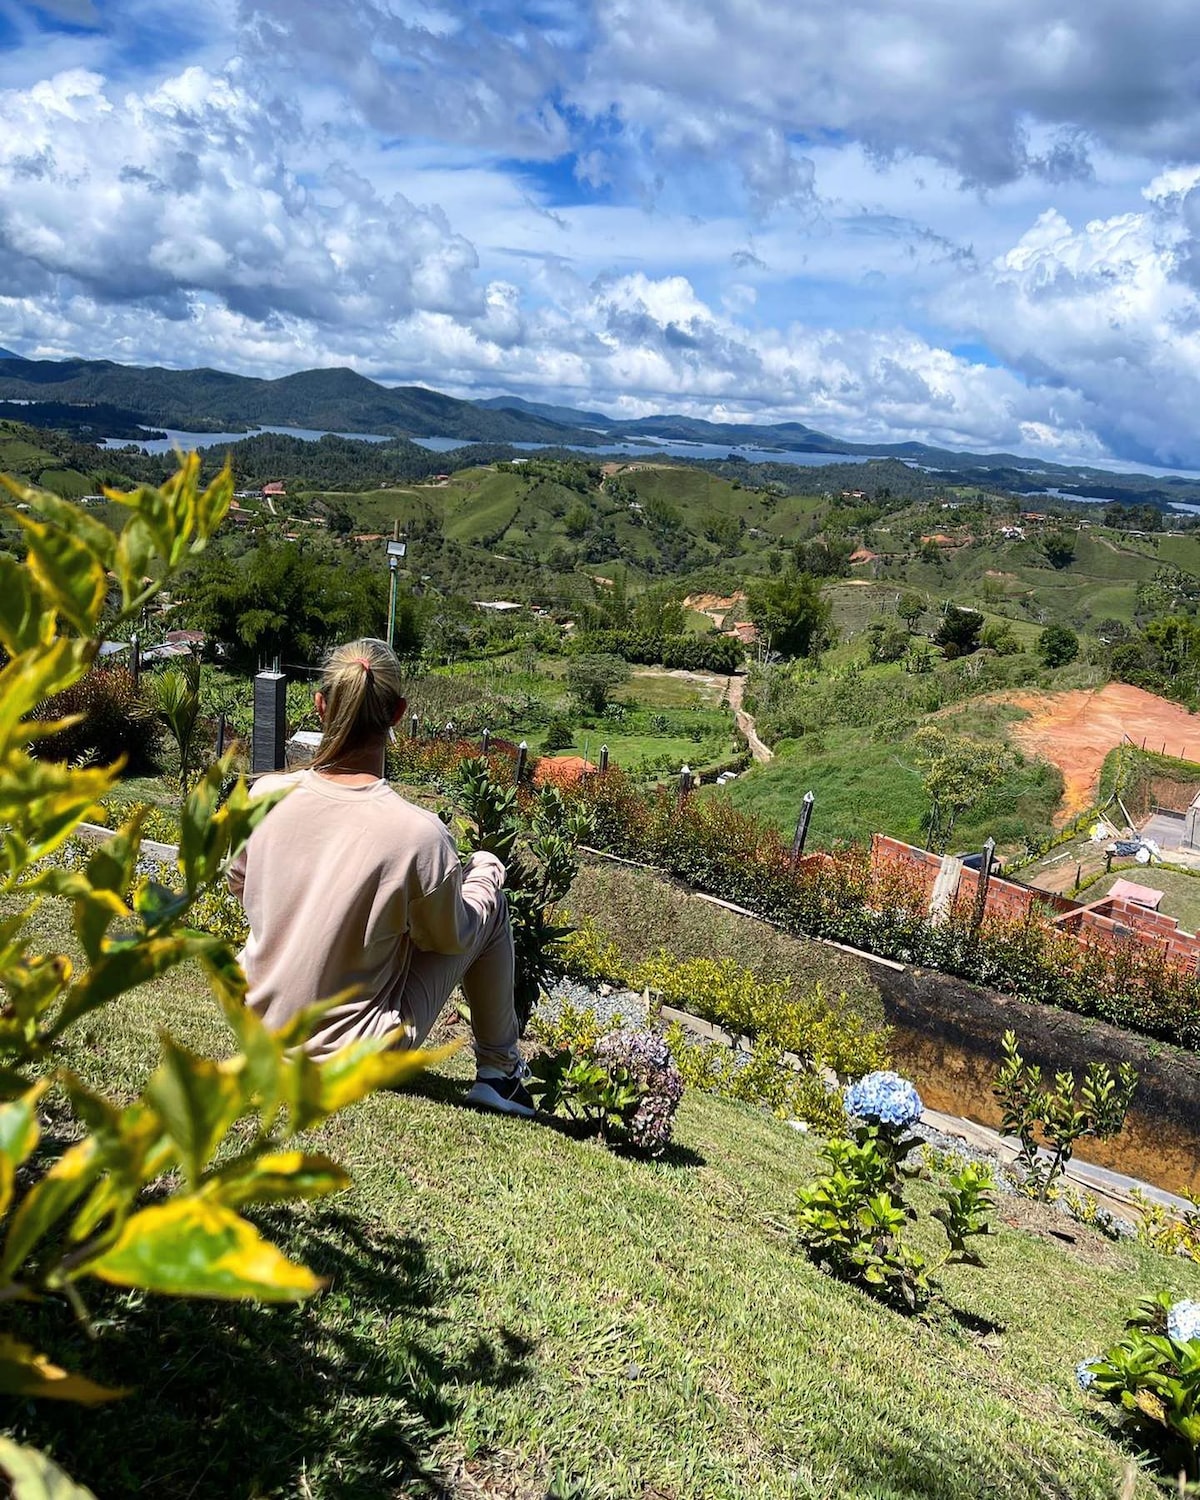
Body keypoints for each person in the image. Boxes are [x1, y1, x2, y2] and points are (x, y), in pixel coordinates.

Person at [227, 637, 535, 1116]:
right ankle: (501, 1072)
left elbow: (243, 885)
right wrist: (483, 874)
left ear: (320, 705)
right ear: (397, 715)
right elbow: (453, 936)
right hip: (353, 1055)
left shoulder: (263, 793)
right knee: (487, 898)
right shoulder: (418, 836)